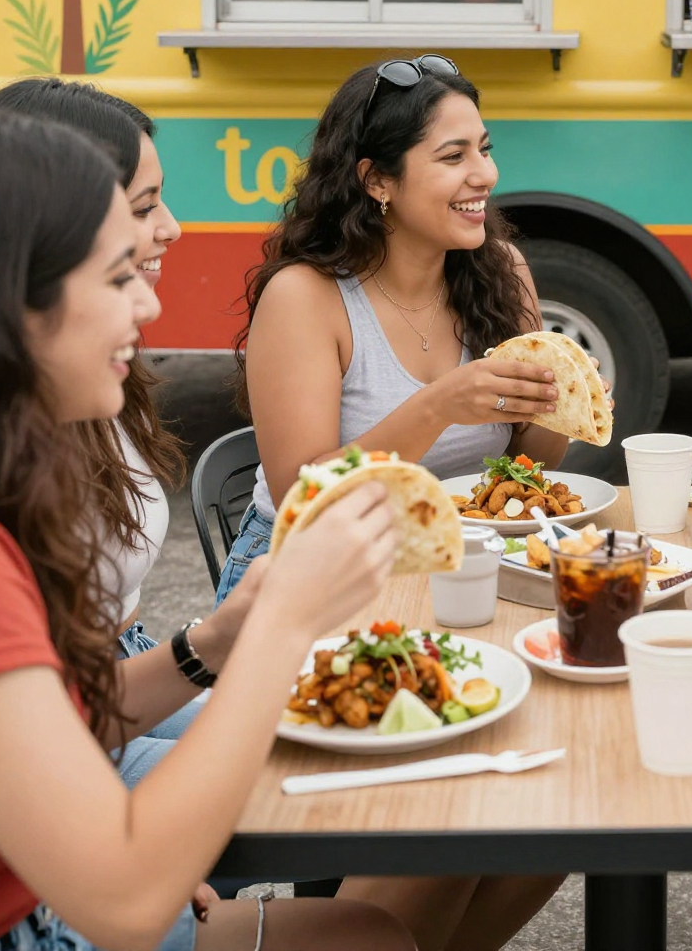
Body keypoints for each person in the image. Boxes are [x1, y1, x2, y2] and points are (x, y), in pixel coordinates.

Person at [0, 110, 412, 951]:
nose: (149, 299)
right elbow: (129, 899)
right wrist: (284, 622)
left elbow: (67, 727)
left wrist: (216, 640)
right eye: (115, 279)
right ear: (4, 307)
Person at [217, 54, 568, 951]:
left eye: (484, 150)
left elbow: (531, 467)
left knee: (553, 809)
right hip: (310, 588)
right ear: (375, 179)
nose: (483, 175)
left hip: (455, 578)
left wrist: (556, 402)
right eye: (453, 157)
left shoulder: (501, 274)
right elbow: (304, 489)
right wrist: (443, 402)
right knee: (450, 811)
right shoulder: (306, 297)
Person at [0, 77, 193, 785]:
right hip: (73, 720)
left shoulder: (92, 378)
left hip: (123, 664)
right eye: (142, 206)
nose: (171, 227)